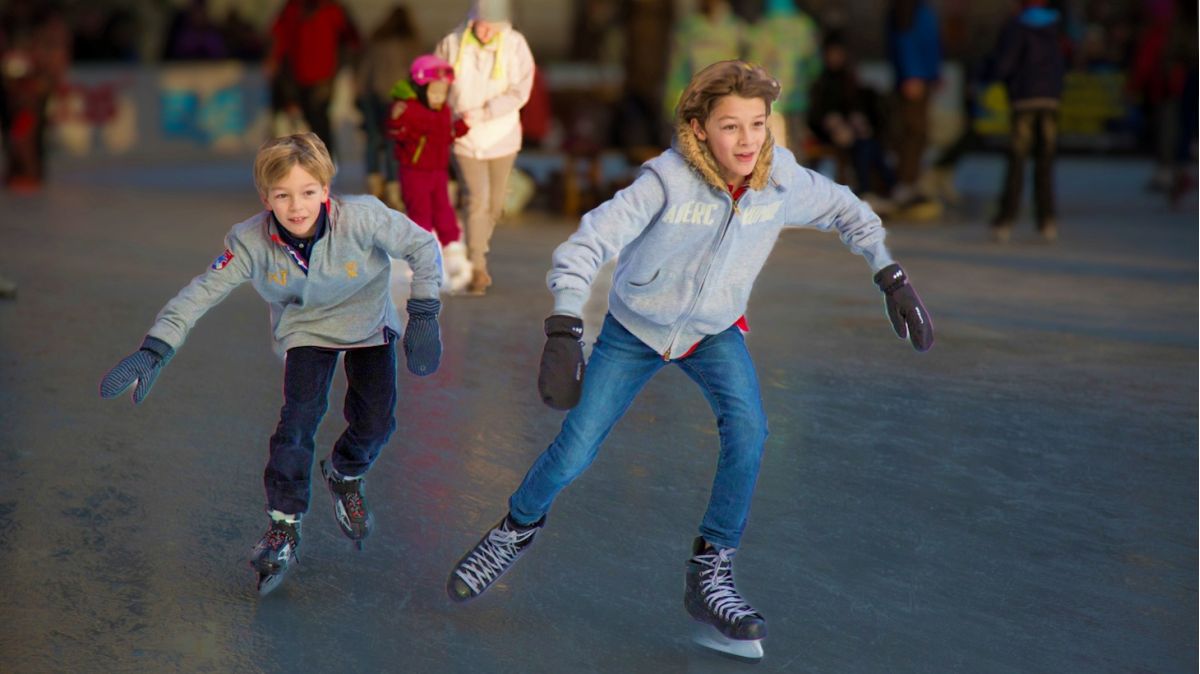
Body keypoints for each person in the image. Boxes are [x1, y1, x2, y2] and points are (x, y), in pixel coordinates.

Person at [444, 60, 933, 661]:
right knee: (574, 449)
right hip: (633, 329)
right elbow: (586, 243)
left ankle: (711, 572)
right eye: (731, 127)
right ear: (699, 129)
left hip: (714, 331)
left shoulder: (781, 181)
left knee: (750, 432)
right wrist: (566, 326)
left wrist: (889, 273)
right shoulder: (665, 182)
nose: (749, 140)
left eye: (758, 124)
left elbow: (848, 211)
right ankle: (514, 530)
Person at [98, 133, 444, 596]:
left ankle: (345, 471)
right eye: (282, 195)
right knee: (298, 421)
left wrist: (423, 311)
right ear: (266, 198)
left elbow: (423, 247)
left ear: (325, 190)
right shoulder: (249, 241)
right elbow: (203, 290)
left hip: (367, 325)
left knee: (377, 421)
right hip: (305, 330)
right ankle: (284, 523)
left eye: (307, 192)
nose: (296, 207)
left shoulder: (363, 217)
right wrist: (157, 345)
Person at [435, 0, 534, 295]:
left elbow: (521, 90)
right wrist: (445, 114)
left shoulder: (515, 44)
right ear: (472, 19)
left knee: (494, 203)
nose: (487, 31)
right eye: (481, 24)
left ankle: (478, 248)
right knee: (477, 199)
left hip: (502, 134)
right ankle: (477, 266)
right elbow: (438, 83)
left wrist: (487, 111)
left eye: (493, 24)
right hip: (464, 136)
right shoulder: (452, 44)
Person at [387, 54, 474, 292]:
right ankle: (422, 258)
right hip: (415, 172)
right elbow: (397, 134)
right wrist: (397, 122)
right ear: (420, 89)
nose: (438, 98)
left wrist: (460, 127)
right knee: (421, 213)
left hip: (438, 171)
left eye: (443, 93)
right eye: (434, 93)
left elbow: (446, 135)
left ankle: (453, 250)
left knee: (444, 211)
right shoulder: (409, 109)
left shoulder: (444, 110)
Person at [986, 0, 1066, 243]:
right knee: (1045, 161)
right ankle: (1047, 220)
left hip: (1024, 100)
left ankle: (1005, 220)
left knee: (1017, 161)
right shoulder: (1056, 27)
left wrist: (996, 77)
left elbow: (1005, 63)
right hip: (1050, 100)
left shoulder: (1017, 27)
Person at [808, 31, 897, 214]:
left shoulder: (850, 79)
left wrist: (858, 121)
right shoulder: (821, 82)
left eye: (838, 53)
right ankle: (867, 191)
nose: (835, 58)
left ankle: (887, 188)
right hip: (829, 134)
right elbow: (816, 115)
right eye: (831, 53)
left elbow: (856, 107)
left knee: (869, 144)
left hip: (851, 133)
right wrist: (831, 123)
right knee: (862, 146)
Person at [266, 0, 361, 161]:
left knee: (315, 119)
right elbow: (352, 39)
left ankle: (322, 161)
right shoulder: (328, 10)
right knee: (316, 119)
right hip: (313, 73)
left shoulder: (299, 8)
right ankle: (322, 160)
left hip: (312, 74)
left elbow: (279, 36)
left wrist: (274, 59)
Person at [356, 4, 421, 207]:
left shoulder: (377, 41)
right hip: (399, 98)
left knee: (374, 140)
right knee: (395, 142)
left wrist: (360, 95)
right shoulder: (411, 45)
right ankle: (394, 187)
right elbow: (417, 74)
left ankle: (374, 181)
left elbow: (364, 71)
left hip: (373, 95)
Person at [745, 0, 822, 159]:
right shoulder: (804, 25)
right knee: (798, 145)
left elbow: (753, 64)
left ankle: (775, 182)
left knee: (773, 148)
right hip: (799, 96)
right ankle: (800, 182)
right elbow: (814, 64)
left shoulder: (763, 27)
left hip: (771, 100)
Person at [885, 0, 942, 210]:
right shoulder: (906, 8)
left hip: (924, 76)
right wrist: (912, 74)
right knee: (913, 131)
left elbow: (930, 41)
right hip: (914, 79)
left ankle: (910, 181)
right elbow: (904, 40)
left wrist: (935, 72)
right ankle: (905, 183)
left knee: (920, 132)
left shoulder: (922, 8)